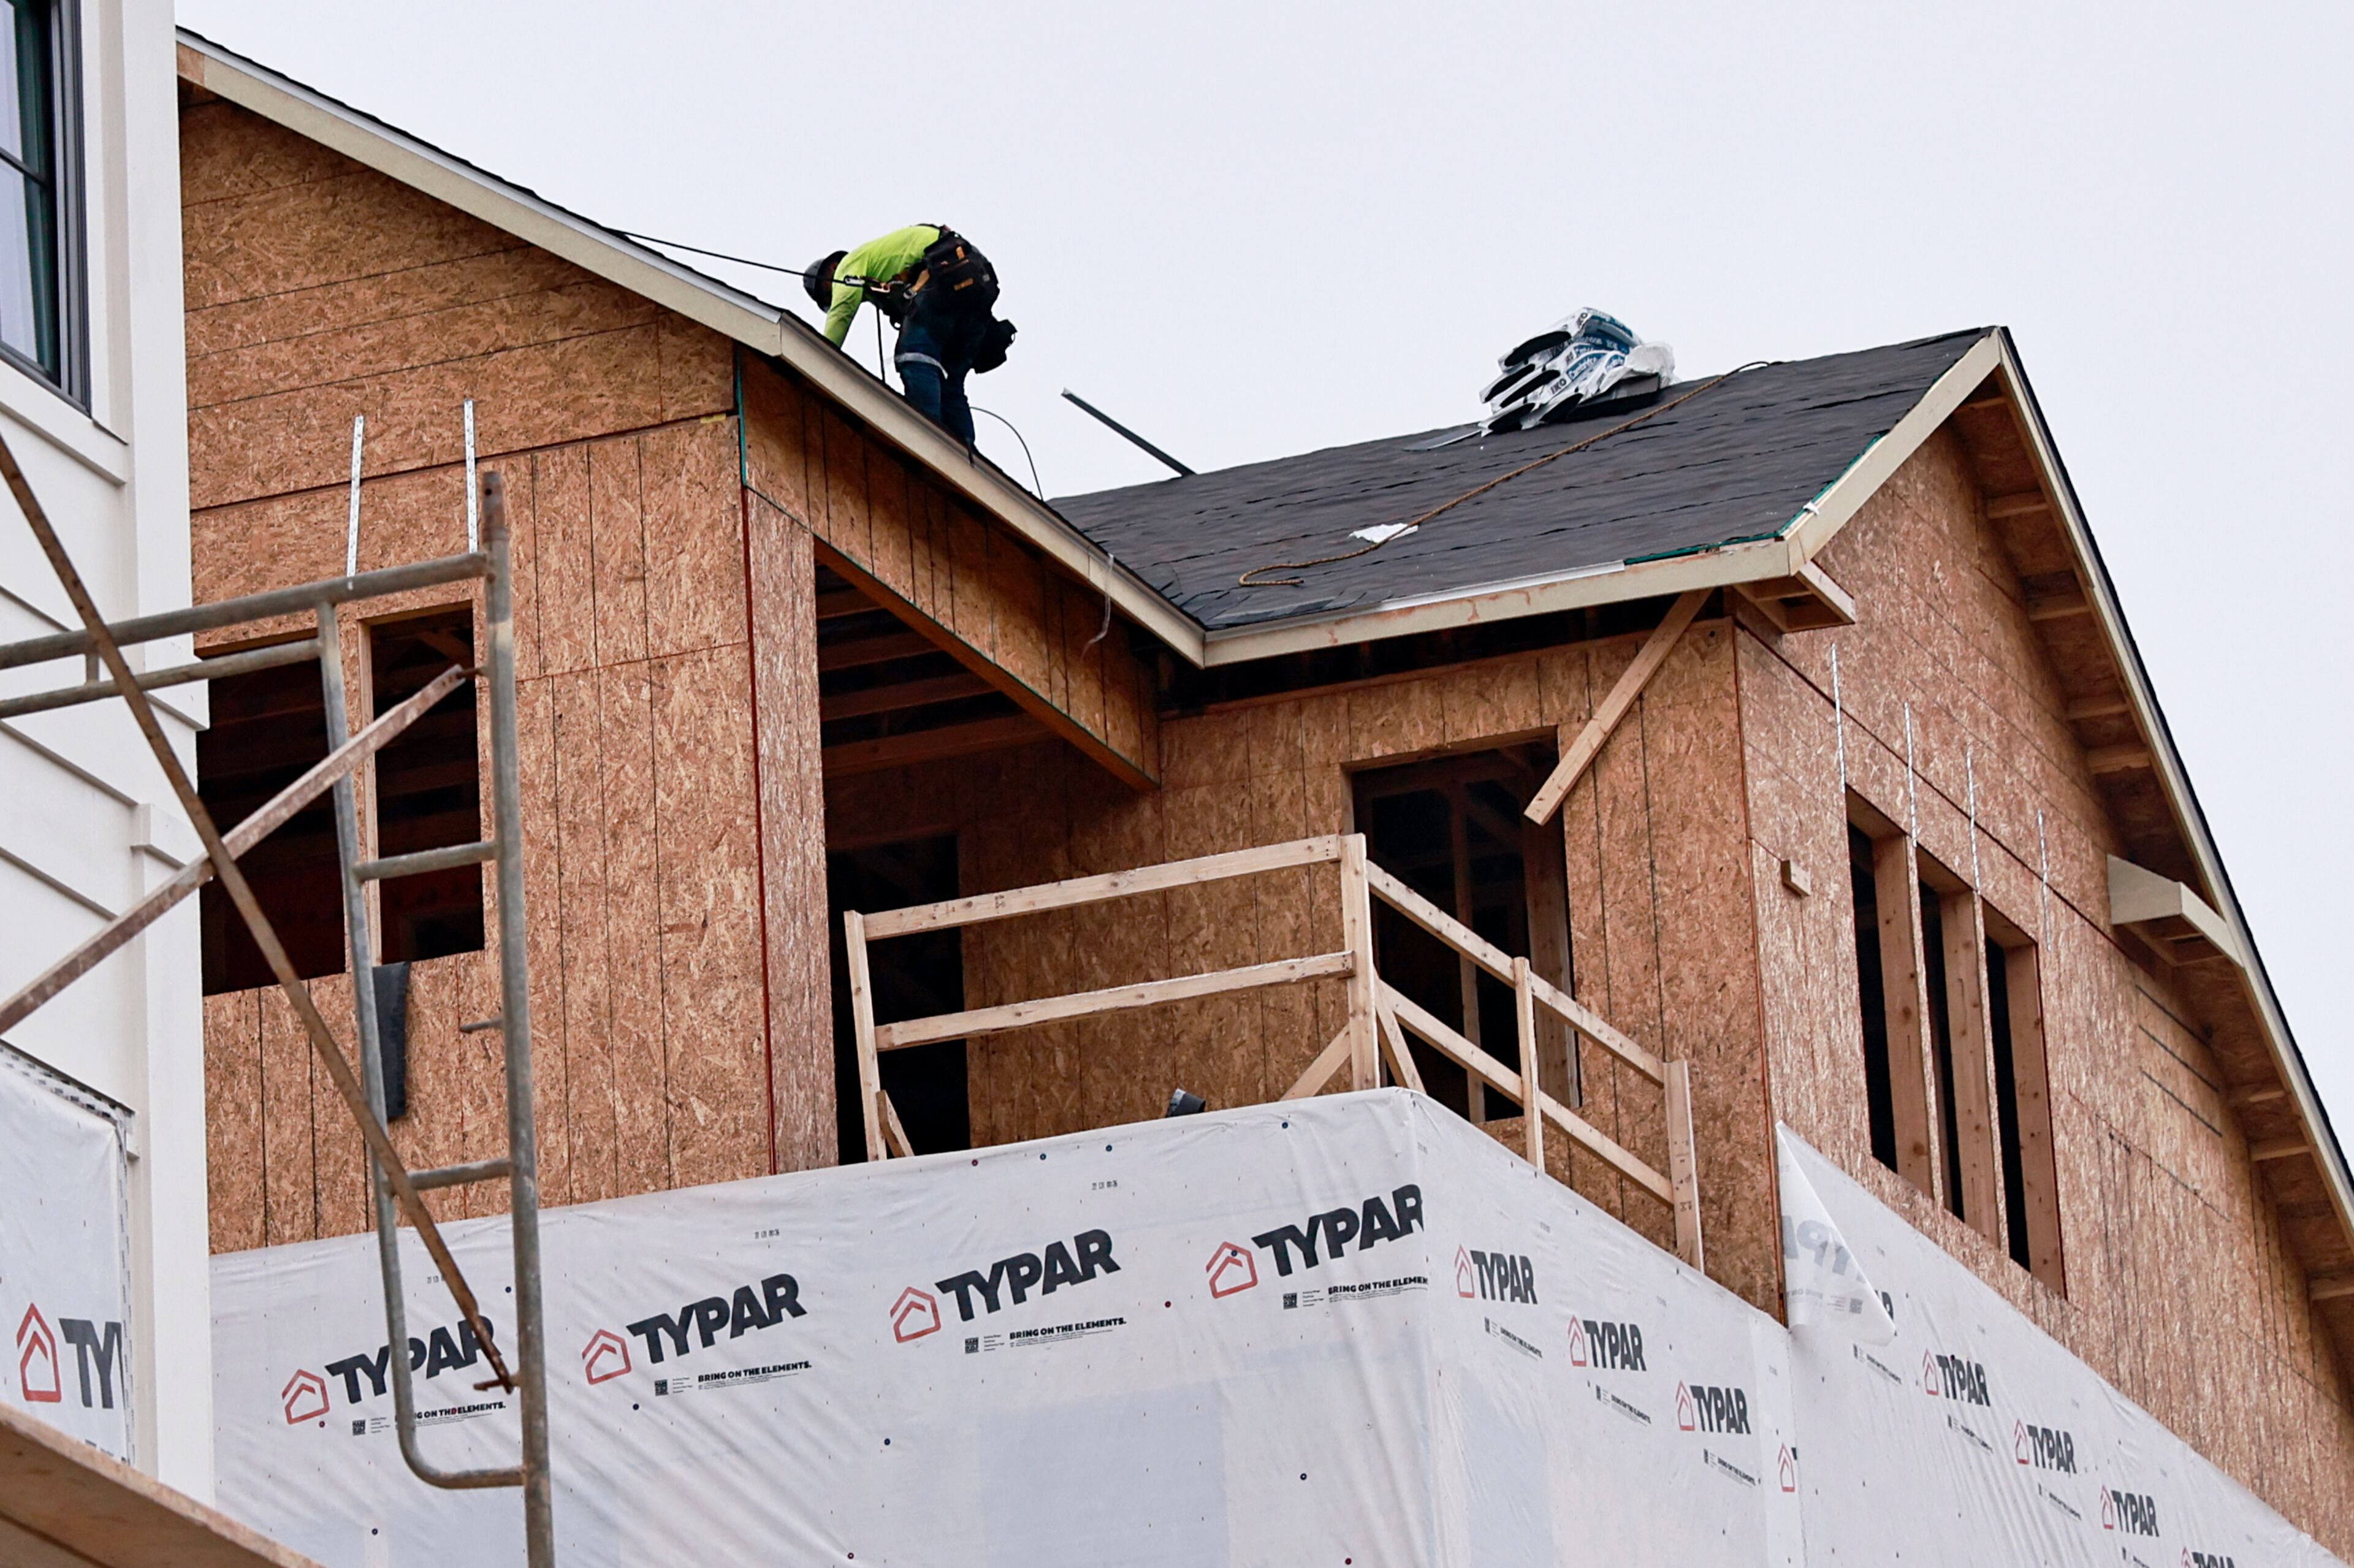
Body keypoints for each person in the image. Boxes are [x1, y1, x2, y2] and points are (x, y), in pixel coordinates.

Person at [804, 225, 1007, 446]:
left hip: (945, 272)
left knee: (914, 356)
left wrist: (818, 361)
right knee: (951, 380)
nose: (833, 297)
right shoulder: (882, 277)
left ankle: (928, 441)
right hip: (972, 279)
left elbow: (840, 315)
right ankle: (966, 456)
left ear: (833, 267)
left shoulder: (848, 266)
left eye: (828, 292)